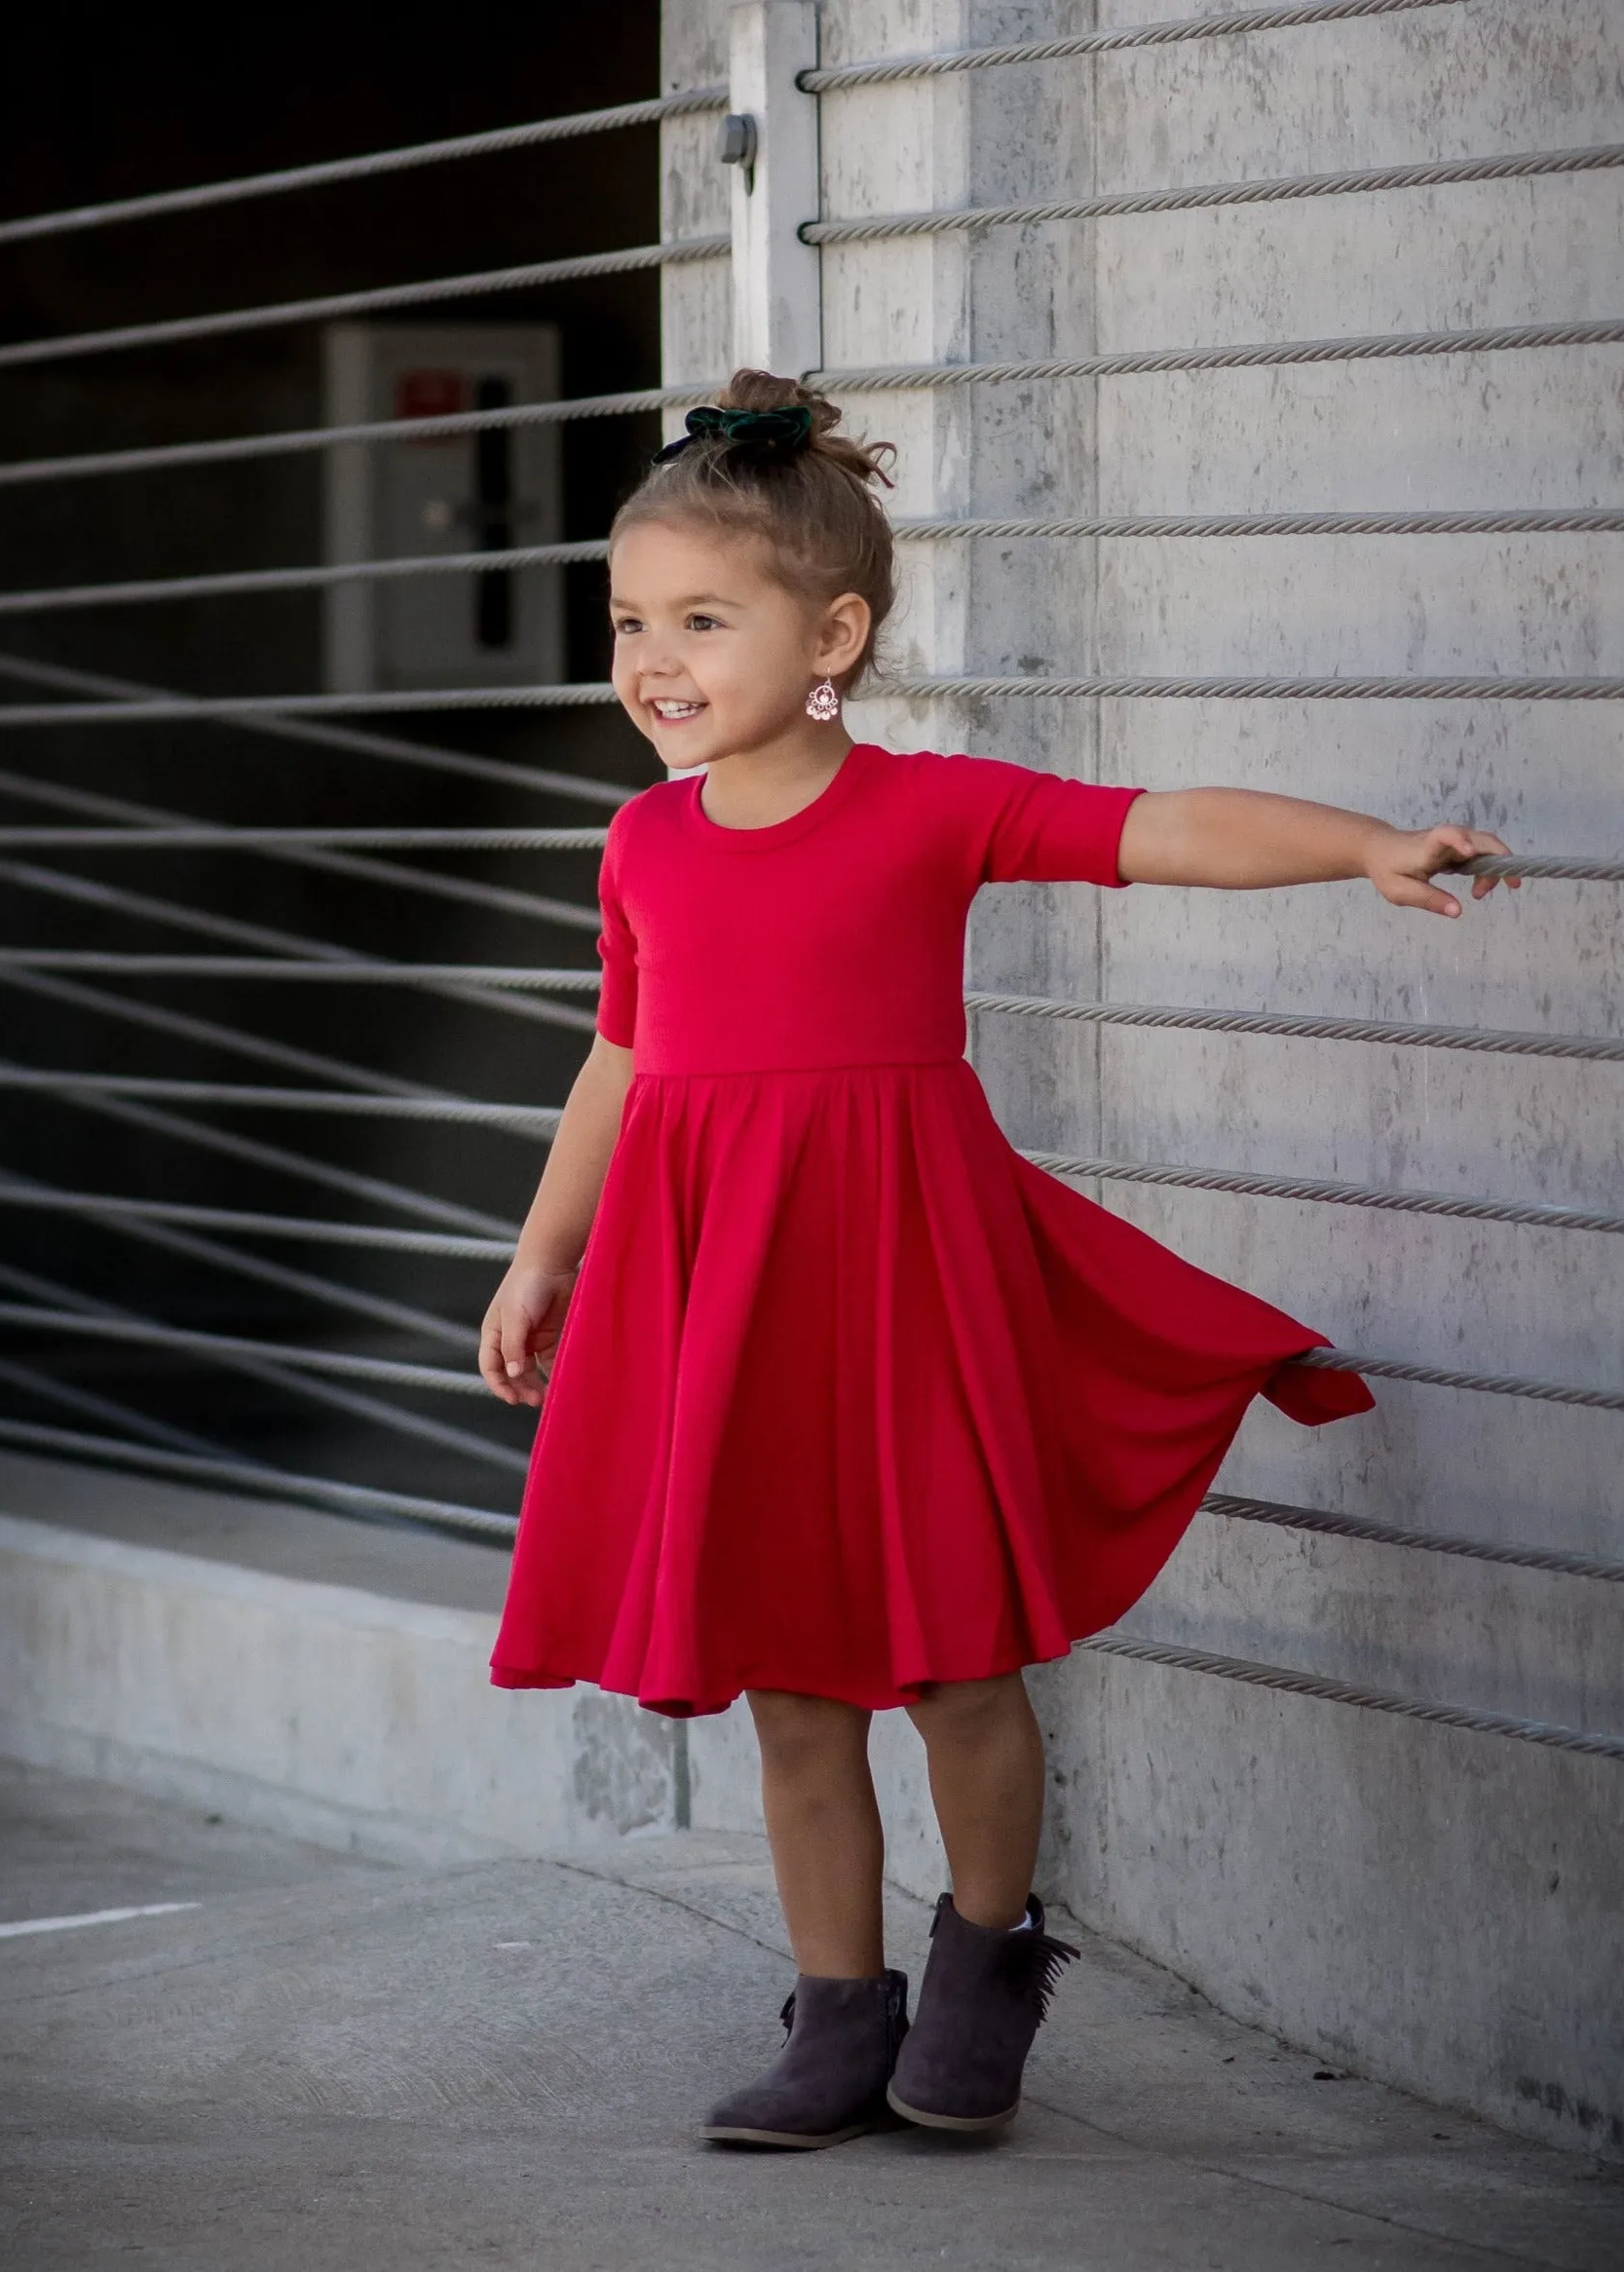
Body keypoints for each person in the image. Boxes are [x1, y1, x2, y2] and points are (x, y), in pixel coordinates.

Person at [477, 370, 1518, 2151]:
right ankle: (835, 2014)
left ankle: (983, 1963)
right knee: (792, 1681)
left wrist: (1363, 850)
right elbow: (623, 1058)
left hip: (900, 1288)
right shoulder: (643, 839)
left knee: (959, 1663)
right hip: (727, 1296)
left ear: (836, 632)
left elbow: (1158, 828)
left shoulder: (927, 809)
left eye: (702, 620)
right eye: (630, 622)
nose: (653, 659)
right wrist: (542, 1254)